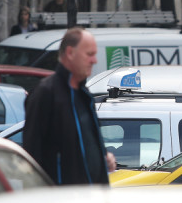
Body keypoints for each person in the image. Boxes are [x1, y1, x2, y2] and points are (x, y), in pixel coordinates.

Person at [24, 27, 116, 185]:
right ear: (70, 53)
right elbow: (32, 155)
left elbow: (84, 143)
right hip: (63, 202)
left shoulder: (84, 94)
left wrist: (103, 157)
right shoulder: (45, 93)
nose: (95, 61)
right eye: (89, 54)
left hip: (93, 198)